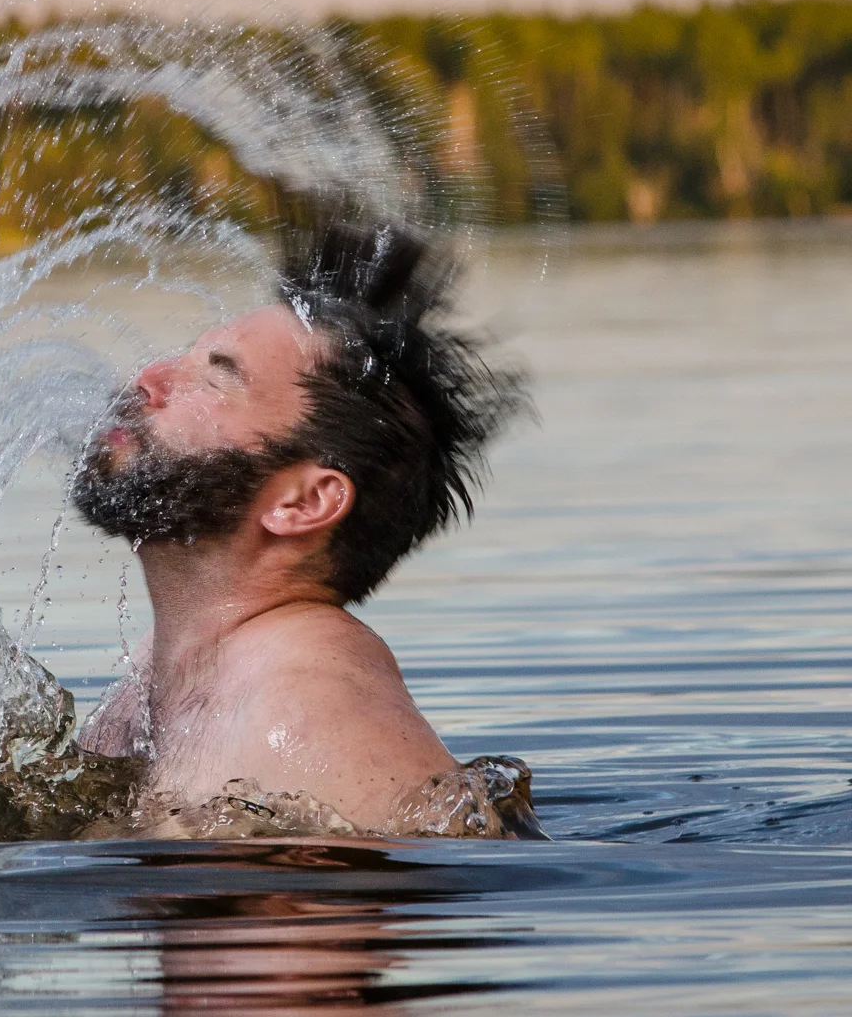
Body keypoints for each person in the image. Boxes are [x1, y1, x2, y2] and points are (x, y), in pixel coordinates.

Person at [70, 214, 530, 834]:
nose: (150, 378)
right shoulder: (167, 672)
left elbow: (420, 893)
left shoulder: (309, 703)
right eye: (186, 356)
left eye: (217, 377)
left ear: (304, 502)